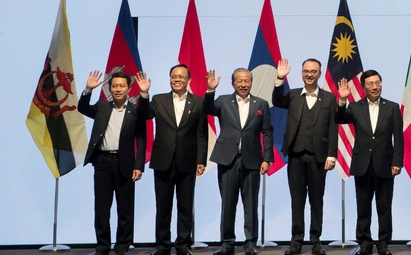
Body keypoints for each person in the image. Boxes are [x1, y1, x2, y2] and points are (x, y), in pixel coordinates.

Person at [137, 65, 209, 255]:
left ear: (188, 80)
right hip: (163, 160)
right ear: (169, 79)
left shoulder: (199, 102)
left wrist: (201, 160)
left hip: (188, 160)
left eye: (181, 77)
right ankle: (162, 245)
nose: (177, 79)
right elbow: (144, 115)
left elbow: (201, 134)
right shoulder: (158, 100)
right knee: (163, 205)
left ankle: (183, 245)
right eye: (173, 76)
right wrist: (144, 94)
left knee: (185, 206)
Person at [271, 58, 338, 255]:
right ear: (301, 73)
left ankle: (316, 240)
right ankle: (296, 240)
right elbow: (276, 101)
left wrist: (331, 155)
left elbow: (333, 128)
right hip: (296, 157)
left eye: (313, 71)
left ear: (319, 74)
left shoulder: (329, 98)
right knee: (297, 200)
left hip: (319, 157)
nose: (309, 74)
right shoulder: (292, 95)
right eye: (306, 71)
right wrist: (280, 78)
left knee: (317, 201)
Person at [204, 68, 274, 255]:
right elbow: (208, 109)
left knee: (251, 204)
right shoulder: (223, 101)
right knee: (228, 203)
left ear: (251, 82)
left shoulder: (261, 104)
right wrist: (210, 91)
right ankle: (227, 243)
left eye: (247, 81)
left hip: (252, 160)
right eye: (239, 81)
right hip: (228, 160)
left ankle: (250, 243)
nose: (243, 84)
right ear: (233, 83)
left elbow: (267, 132)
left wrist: (267, 158)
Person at [78, 70, 147, 255]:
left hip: (125, 164)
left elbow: (141, 138)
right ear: (110, 88)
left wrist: (139, 166)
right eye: (114, 86)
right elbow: (83, 108)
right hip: (102, 163)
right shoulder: (102, 107)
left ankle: (122, 247)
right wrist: (87, 90)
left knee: (125, 210)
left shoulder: (136, 111)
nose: (118, 89)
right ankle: (102, 247)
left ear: (129, 88)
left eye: (122, 86)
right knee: (102, 208)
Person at [335, 71, 403, 255]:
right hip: (362, 164)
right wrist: (342, 101)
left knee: (384, 207)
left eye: (377, 83)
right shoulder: (355, 107)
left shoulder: (392, 107)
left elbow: (399, 137)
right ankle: (364, 243)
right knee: (363, 207)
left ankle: (383, 244)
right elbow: (339, 119)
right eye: (371, 84)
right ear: (364, 87)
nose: (375, 87)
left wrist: (398, 162)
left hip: (386, 165)